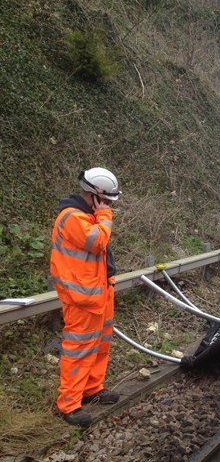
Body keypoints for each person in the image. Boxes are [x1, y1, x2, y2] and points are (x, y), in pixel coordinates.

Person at [50, 167, 122, 427]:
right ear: (94, 196)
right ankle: (69, 404)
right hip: (82, 298)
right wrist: (104, 214)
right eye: (106, 201)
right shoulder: (72, 218)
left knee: (100, 345)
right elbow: (97, 243)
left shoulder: (88, 215)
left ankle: (92, 388)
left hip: (99, 292)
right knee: (79, 349)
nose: (109, 207)